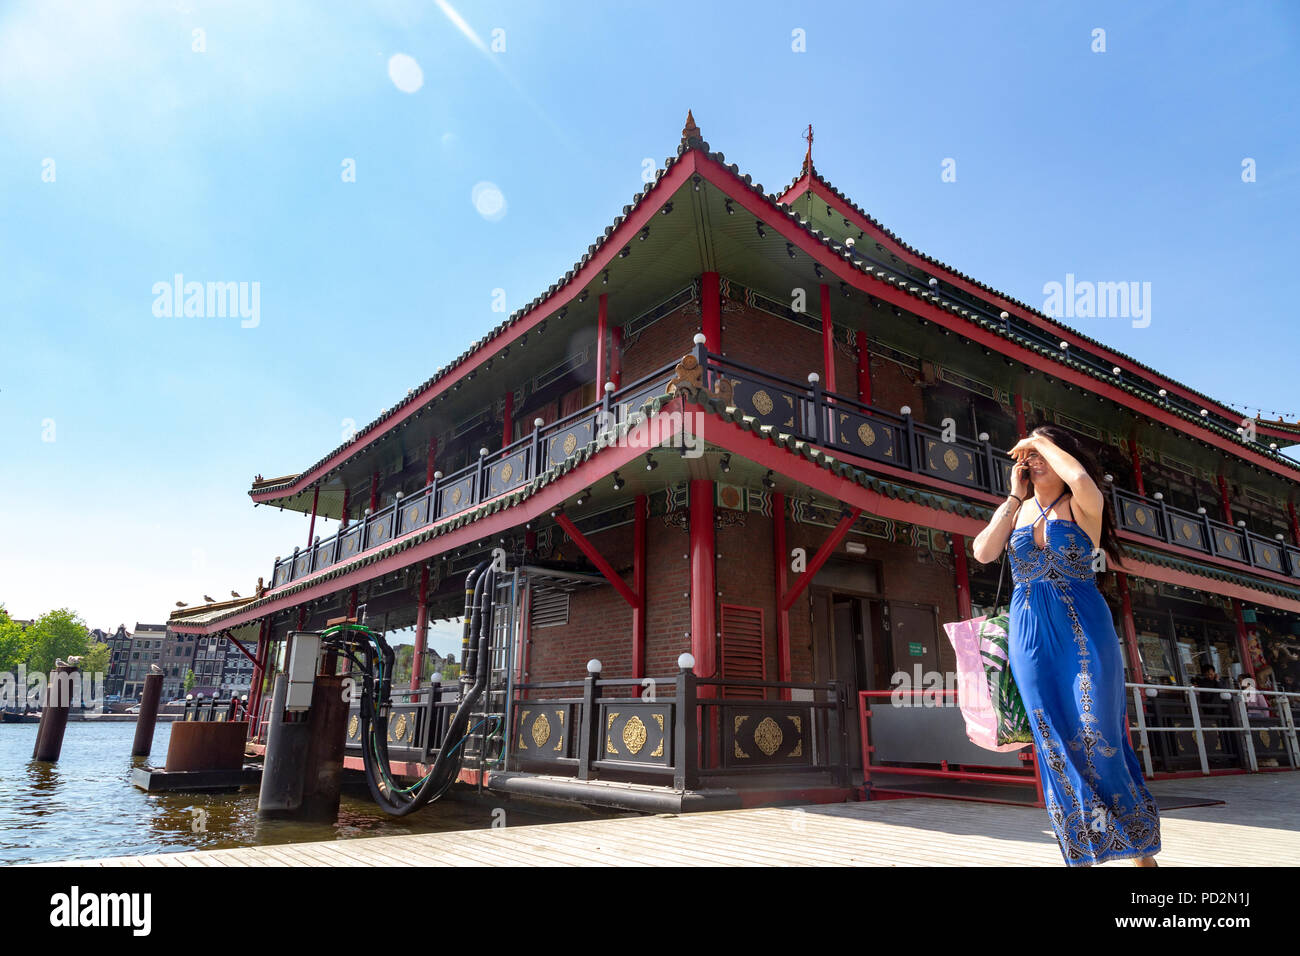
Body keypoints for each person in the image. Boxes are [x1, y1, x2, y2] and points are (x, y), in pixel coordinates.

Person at [972, 424, 1161, 867]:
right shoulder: (1018, 510)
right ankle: (1081, 854)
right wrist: (1013, 496)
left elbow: (1078, 478)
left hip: (1083, 629)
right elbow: (982, 552)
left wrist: (1038, 440)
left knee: (1097, 732)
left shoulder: (1082, 503)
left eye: (1041, 454)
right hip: (1029, 632)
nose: (1032, 460)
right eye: (1028, 456)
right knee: (1053, 741)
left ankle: (1137, 847)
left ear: (1061, 455)